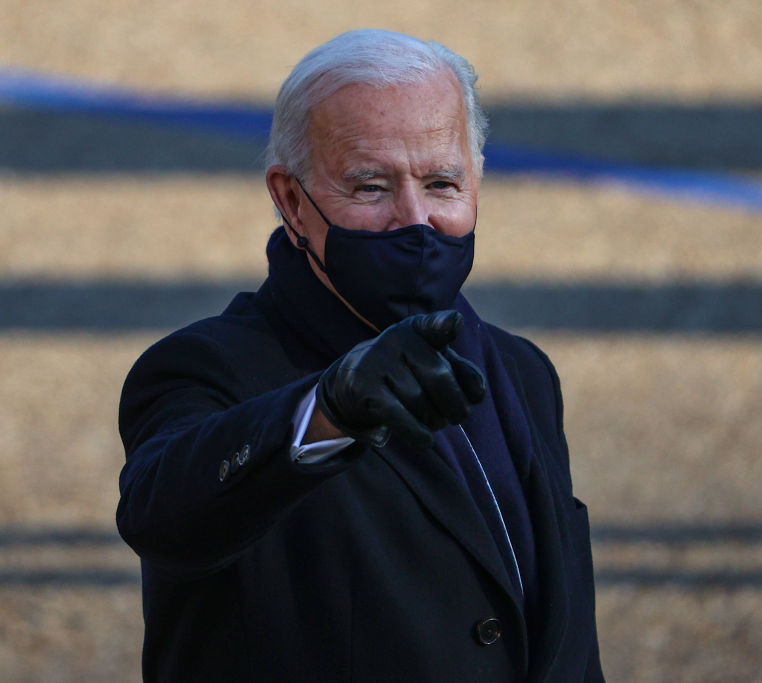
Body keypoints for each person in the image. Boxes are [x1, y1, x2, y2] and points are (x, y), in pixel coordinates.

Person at [116, 29, 603, 682]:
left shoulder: (525, 373)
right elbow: (161, 511)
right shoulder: (204, 368)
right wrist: (326, 411)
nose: (415, 219)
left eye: (442, 182)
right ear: (292, 200)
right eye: (372, 187)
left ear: (477, 181)